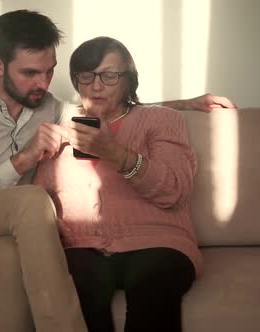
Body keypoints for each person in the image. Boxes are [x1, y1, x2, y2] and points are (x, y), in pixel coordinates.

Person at [0, 10, 229, 332]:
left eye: (49, 72)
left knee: (12, 263)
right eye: (30, 73)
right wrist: (24, 159)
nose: (42, 83)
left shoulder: (49, 106)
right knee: (32, 199)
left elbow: (114, 105)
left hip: (3, 241)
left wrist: (187, 103)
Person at [33, 36, 202, 332]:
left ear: (128, 80)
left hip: (158, 241)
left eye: (109, 76)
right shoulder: (62, 124)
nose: (96, 86)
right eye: (87, 76)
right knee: (73, 291)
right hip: (82, 244)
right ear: (76, 80)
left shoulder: (161, 119)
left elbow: (174, 190)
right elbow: (39, 197)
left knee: (154, 287)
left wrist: (116, 154)